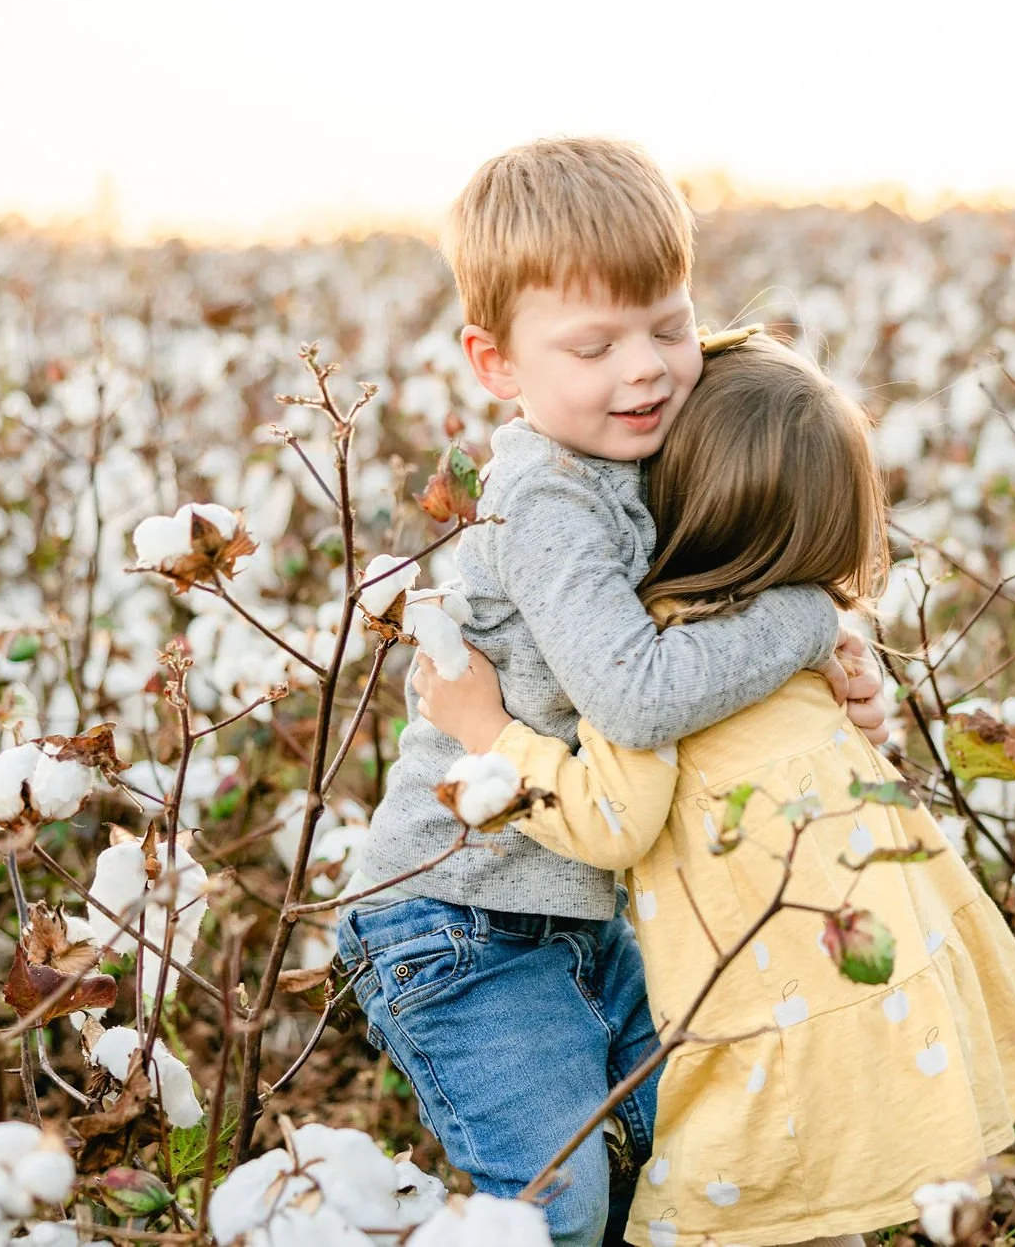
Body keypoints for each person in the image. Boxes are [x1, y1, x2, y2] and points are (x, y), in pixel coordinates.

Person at [342, 137, 886, 1247]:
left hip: (594, 904)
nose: (643, 367)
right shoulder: (547, 500)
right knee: (558, 1202)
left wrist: (835, 679)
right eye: (591, 345)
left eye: (668, 326)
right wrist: (806, 616)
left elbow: (705, 613)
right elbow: (639, 697)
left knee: (697, 1152)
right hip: (459, 919)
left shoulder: (642, 441)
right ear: (495, 365)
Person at [416, 334, 1015, 1247]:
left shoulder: (662, 661)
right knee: (810, 1215)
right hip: (868, 994)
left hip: (772, 1023)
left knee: (763, 1204)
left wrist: (484, 733)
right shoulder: (789, 631)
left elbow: (612, 821)